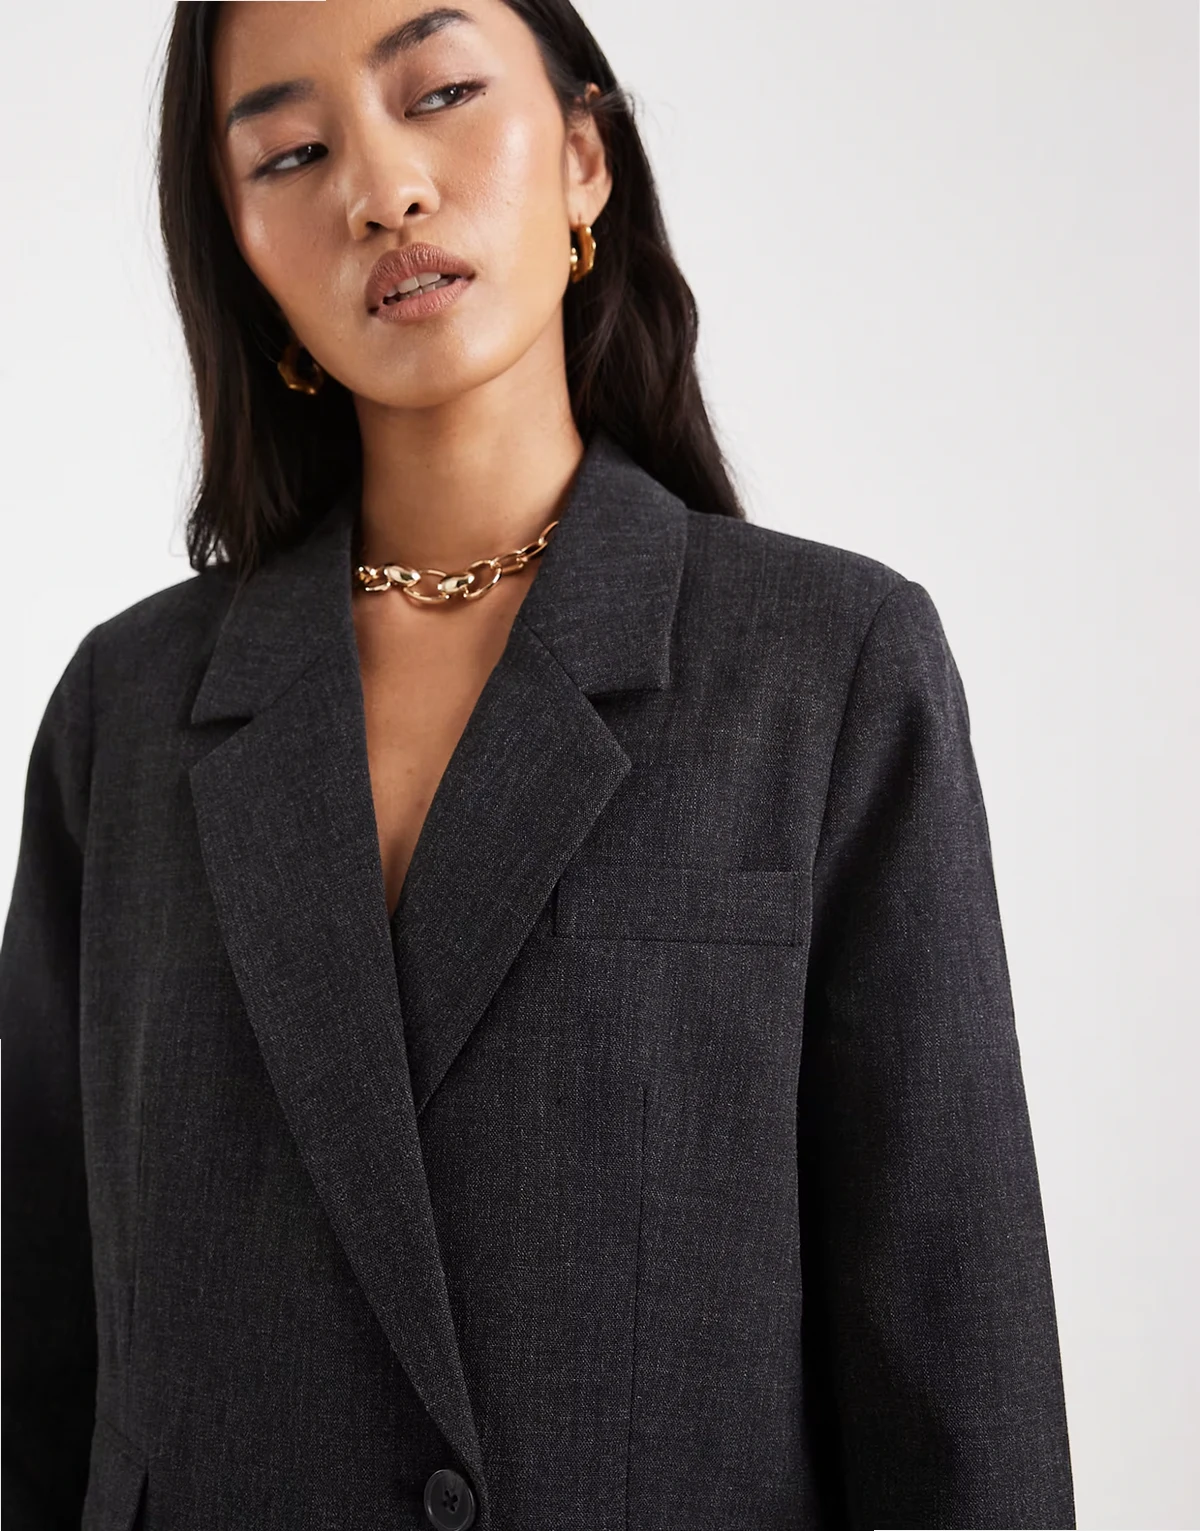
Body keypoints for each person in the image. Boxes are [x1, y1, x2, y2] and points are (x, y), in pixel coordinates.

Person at [0, 1, 1076, 1527]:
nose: (382, 189)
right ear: (239, 247)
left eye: (439, 91)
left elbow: (954, 1365)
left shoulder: (825, 667)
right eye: (293, 153)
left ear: (584, 155)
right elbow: (37, 1355)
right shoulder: (127, 712)